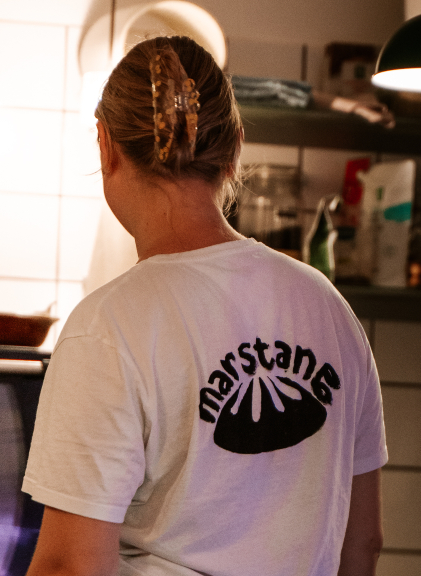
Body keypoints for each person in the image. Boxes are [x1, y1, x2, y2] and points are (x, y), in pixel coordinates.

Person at [21, 36, 386, 576]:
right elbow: (364, 543)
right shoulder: (329, 309)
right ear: (236, 147)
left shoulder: (108, 328)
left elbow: (70, 567)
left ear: (105, 146)